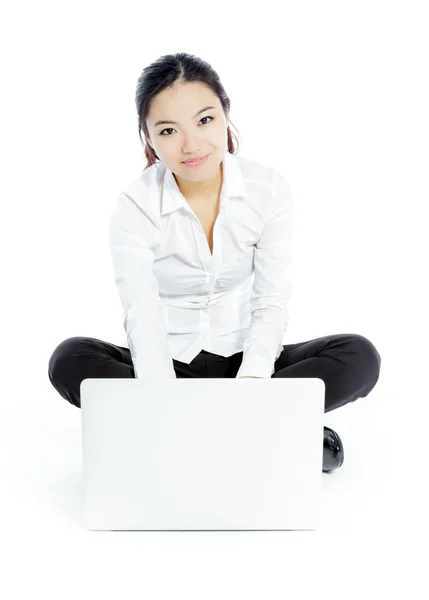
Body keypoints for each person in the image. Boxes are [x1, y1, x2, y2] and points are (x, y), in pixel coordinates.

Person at [48, 52, 381, 473]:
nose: (191, 145)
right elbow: (142, 311)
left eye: (204, 120)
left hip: (250, 363)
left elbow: (271, 298)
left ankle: (185, 436)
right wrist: (160, 394)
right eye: (168, 130)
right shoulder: (134, 207)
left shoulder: (269, 190)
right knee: (69, 358)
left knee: (359, 355)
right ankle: (276, 432)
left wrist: (255, 381)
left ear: (226, 114)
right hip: (169, 365)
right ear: (148, 138)